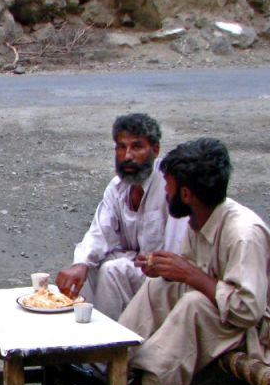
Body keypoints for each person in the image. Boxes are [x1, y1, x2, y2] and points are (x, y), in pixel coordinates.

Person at [118, 137, 270, 385]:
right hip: (231, 317)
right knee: (159, 287)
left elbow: (247, 310)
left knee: (194, 307)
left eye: (168, 186)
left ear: (186, 195)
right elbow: (197, 275)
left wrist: (188, 273)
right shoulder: (199, 218)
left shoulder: (243, 234)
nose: (164, 193)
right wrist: (167, 270)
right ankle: (115, 361)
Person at [55, 112, 188, 321]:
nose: (127, 156)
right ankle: (78, 339)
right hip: (136, 265)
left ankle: (109, 345)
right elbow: (100, 232)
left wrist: (148, 261)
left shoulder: (167, 187)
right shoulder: (117, 188)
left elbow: (178, 251)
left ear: (155, 150)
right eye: (121, 147)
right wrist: (80, 264)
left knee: (112, 270)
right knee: (85, 270)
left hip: (165, 277)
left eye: (136, 147)